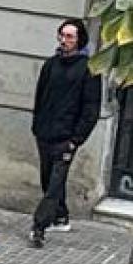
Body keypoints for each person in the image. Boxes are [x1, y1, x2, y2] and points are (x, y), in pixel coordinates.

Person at [29, 17, 103, 248]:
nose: (64, 40)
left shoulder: (89, 69)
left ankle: (39, 226)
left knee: (54, 183)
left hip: (66, 137)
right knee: (47, 178)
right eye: (61, 35)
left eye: (69, 36)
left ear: (79, 39)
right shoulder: (51, 64)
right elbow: (40, 97)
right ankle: (61, 217)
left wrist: (76, 139)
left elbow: (91, 109)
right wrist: (37, 125)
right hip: (45, 132)